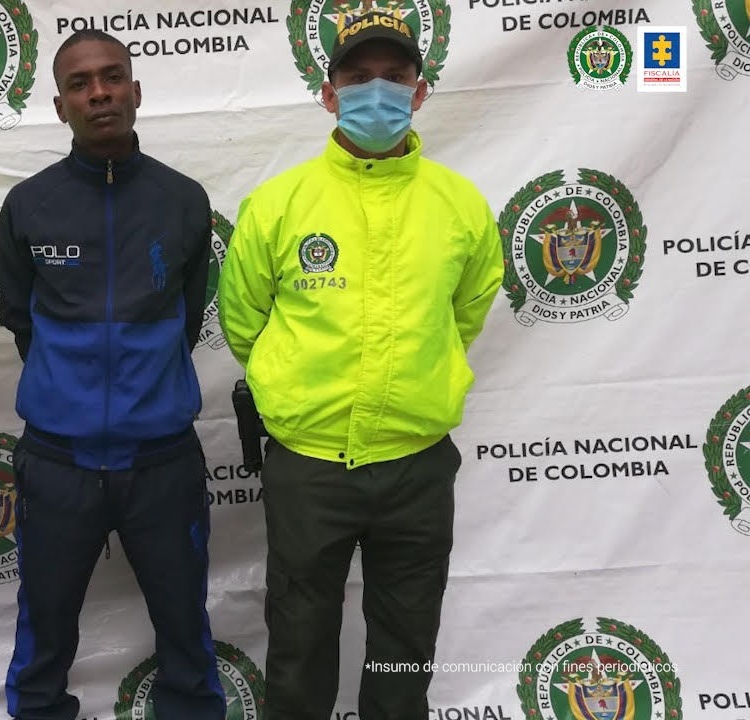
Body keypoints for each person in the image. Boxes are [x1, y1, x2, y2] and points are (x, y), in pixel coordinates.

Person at [217, 11, 504, 720]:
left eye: (394, 77)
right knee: (299, 647)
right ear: (328, 92)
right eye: (357, 77)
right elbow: (245, 323)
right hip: (309, 466)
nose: (377, 91)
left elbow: (463, 315)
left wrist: (412, 380)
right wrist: (302, 394)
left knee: (405, 651)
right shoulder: (279, 205)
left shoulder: (460, 206)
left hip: (416, 464)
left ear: (420, 91)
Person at [0, 28, 226, 720]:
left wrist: (138, 393)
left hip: (161, 462)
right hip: (57, 462)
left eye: (112, 76)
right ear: (60, 104)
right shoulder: (28, 206)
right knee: (44, 632)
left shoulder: (184, 200)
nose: (99, 92)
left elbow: (187, 319)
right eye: (80, 83)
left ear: (136, 90)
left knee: (185, 624)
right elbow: (20, 319)